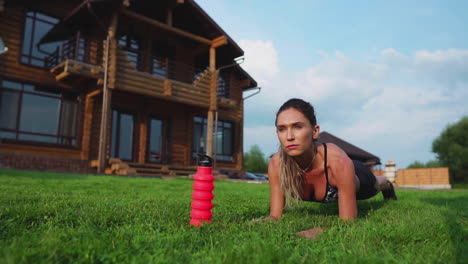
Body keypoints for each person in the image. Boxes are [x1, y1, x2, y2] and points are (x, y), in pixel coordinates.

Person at [259, 98, 397, 223]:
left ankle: (388, 185)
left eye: (297, 127)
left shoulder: (337, 162)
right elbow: (275, 216)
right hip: (341, 170)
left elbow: (348, 222)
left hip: (359, 176)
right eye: (282, 129)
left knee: (378, 183)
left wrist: (322, 231)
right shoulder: (277, 163)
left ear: (315, 131)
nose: (289, 136)